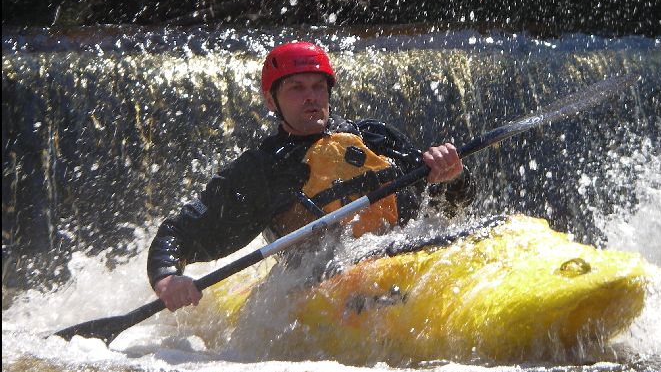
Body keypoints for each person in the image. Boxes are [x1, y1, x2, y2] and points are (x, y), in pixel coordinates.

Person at [148, 41, 474, 311]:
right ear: (270, 100)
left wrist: (451, 175)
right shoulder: (262, 170)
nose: (311, 96)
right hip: (326, 287)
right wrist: (167, 278)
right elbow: (179, 231)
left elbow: (456, 206)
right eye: (296, 88)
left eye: (319, 86)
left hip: (408, 259)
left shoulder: (375, 138)